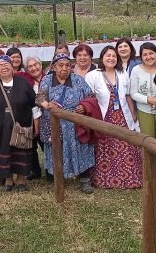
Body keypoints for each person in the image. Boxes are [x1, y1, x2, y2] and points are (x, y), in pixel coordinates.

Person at [0, 56, 40, 192]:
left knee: (21, 151)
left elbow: (33, 105)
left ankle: (21, 180)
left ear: (12, 67)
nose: (4, 67)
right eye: (0, 65)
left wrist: (37, 124)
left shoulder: (23, 83)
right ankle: (8, 179)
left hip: (21, 127)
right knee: (3, 151)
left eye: (6, 64)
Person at [36, 53, 96, 193]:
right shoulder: (47, 80)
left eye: (68, 65)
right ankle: (57, 179)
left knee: (82, 149)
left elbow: (92, 97)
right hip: (55, 123)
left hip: (76, 123)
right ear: (54, 67)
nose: (64, 68)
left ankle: (84, 180)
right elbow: (39, 98)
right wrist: (47, 105)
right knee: (56, 150)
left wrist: (84, 106)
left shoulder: (78, 80)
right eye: (60, 65)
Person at [84, 46, 142, 189]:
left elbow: (127, 95)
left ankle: (130, 179)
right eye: (108, 56)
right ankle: (105, 180)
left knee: (126, 145)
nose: (111, 58)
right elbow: (89, 98)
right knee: (105, 147)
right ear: (102, 58)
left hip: (121, 115)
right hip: (103, 116)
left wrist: (133, 112)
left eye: (114, 56)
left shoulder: (122, 74)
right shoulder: (93, 75)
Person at [129, 42, 156, 183]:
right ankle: (149, 173)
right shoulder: (136, 70)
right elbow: (133, 93)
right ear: (141, 57)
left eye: (151, 53)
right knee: (147, 142)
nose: (148, 57)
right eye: (145, 54)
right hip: (145, 110)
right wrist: (149, 100)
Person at [19, 56, 45, 181]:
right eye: (30, 66)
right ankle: (34, 170)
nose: (34, 68)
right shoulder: (24, 81)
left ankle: (52, 170)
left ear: (41, 65)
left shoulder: (49, 78)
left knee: (47, 145)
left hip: (47, 119)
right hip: (30, 118)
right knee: (31, 145)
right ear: (26, 70)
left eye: (36, 65)